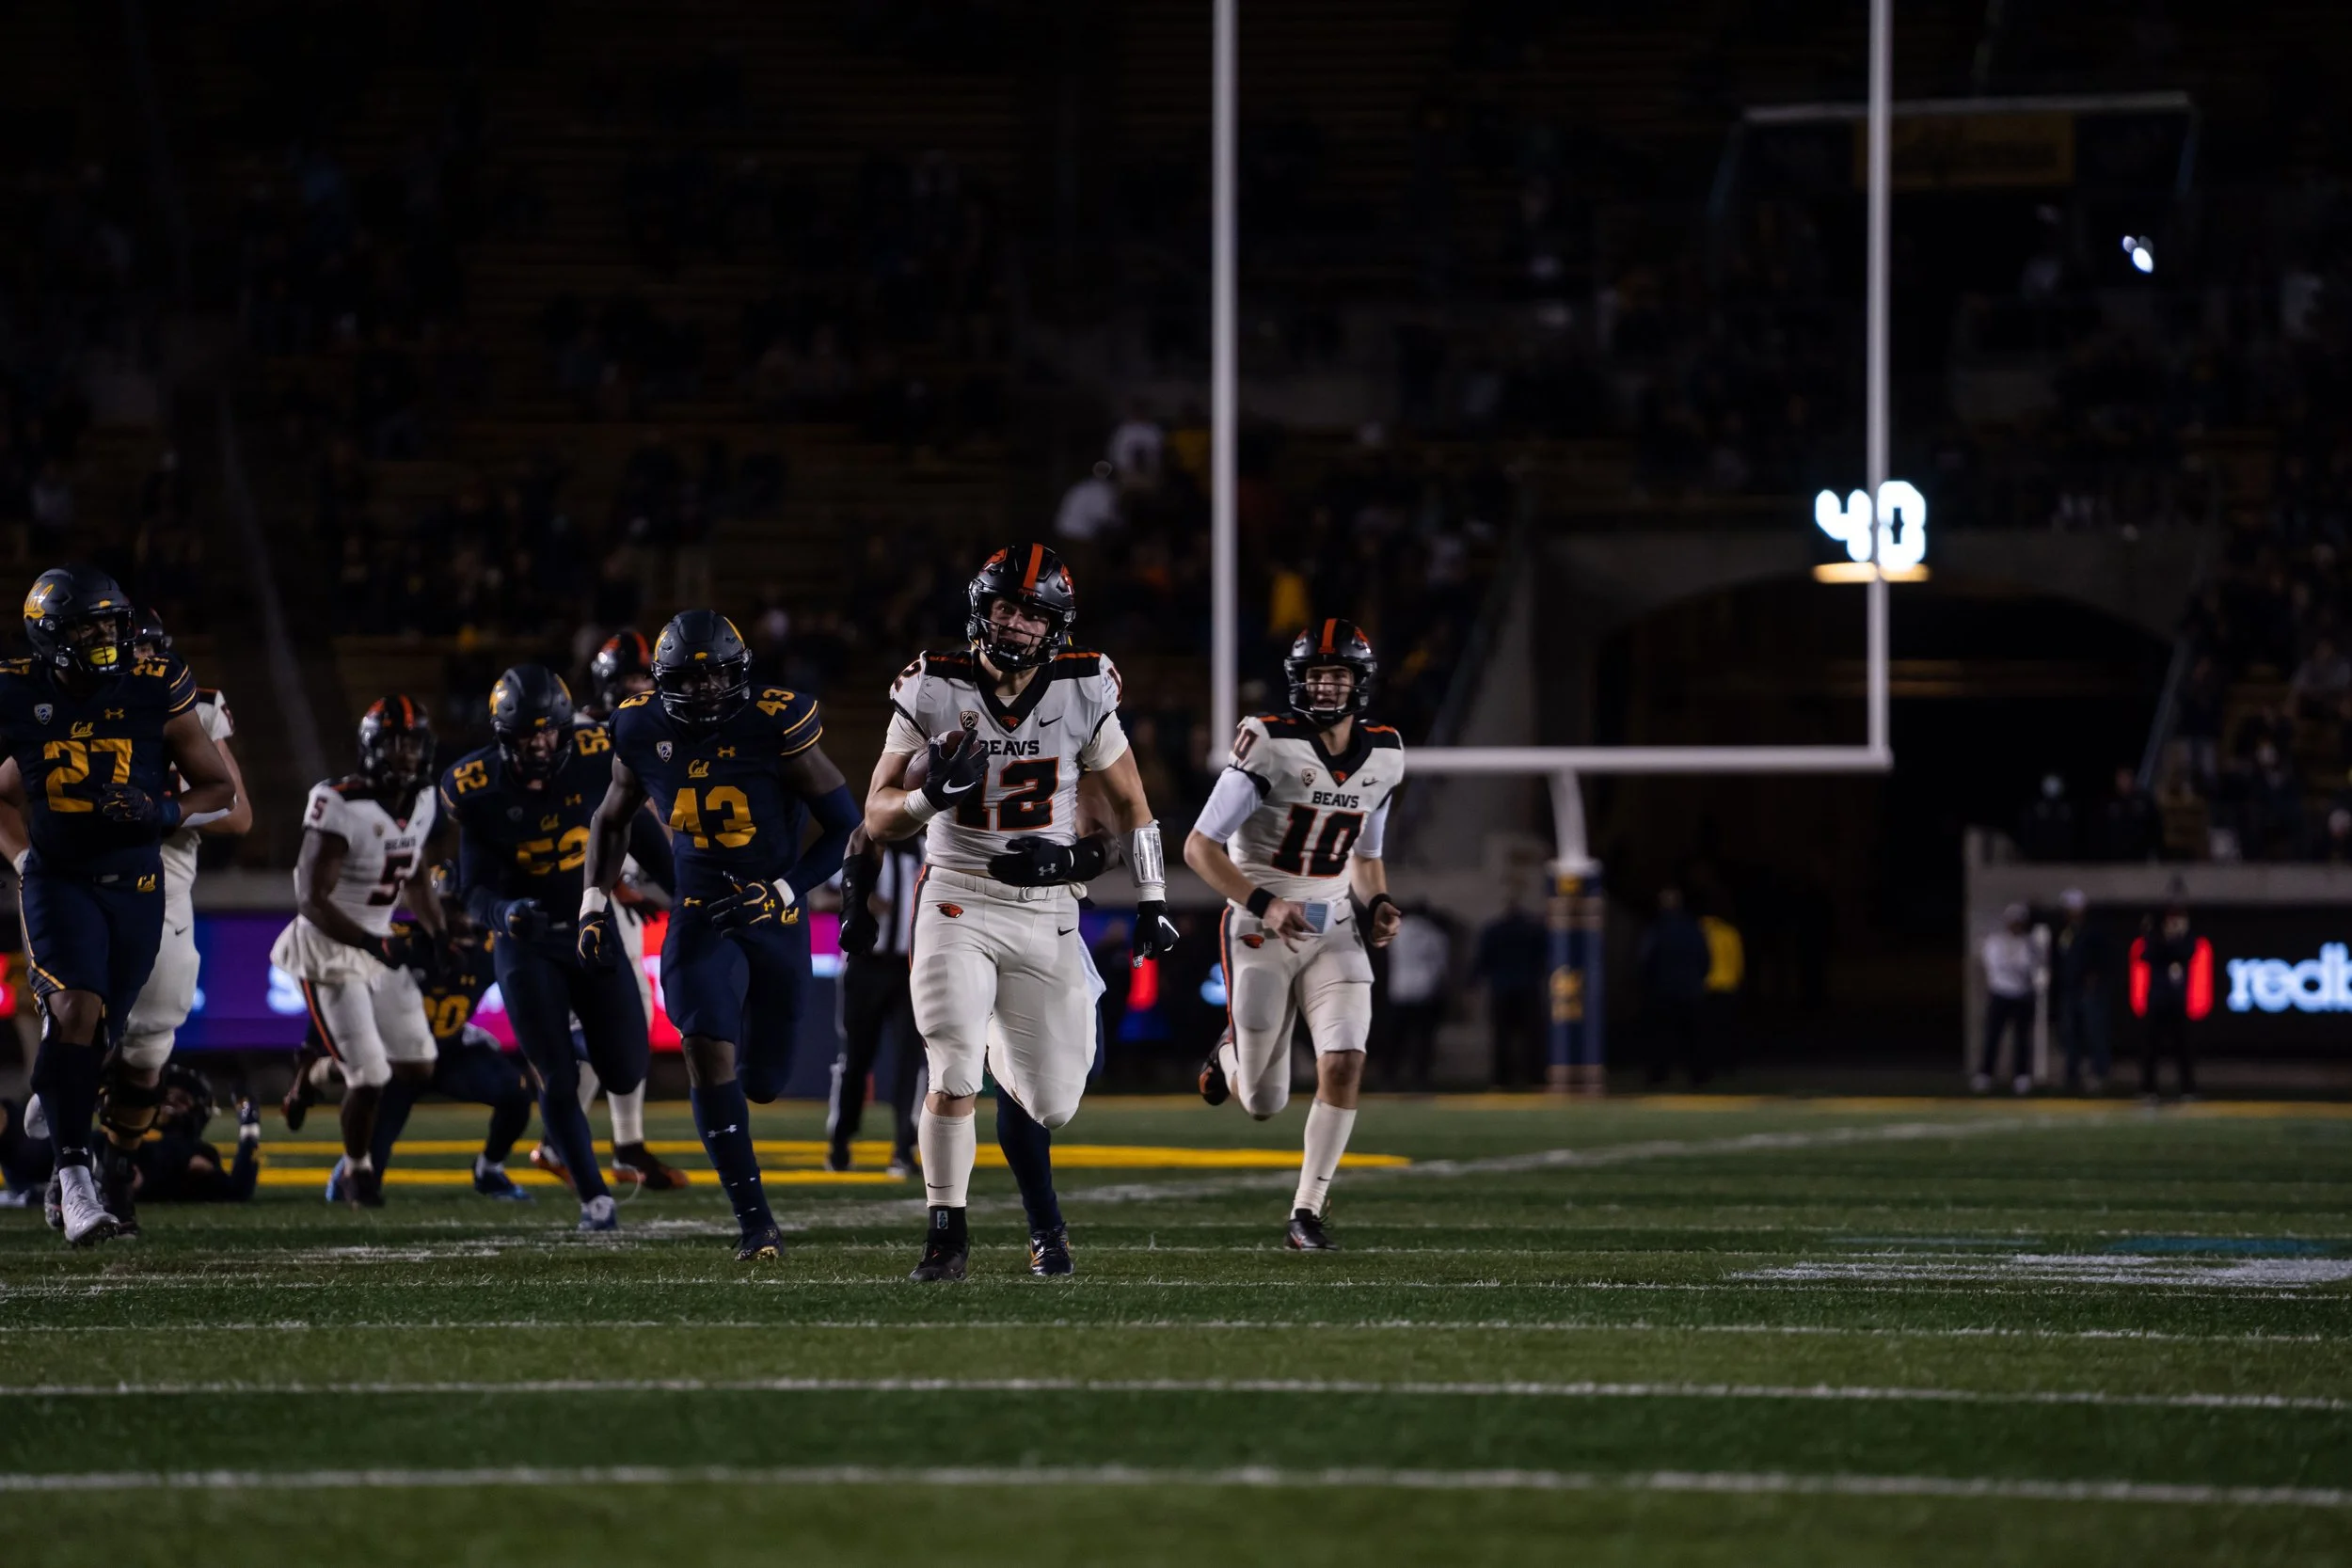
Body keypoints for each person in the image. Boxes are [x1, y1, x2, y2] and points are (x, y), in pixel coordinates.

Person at [861, 543, 1176, 1280]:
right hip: (958, 893)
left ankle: (1010, 1089)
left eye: (1033, 613)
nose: (1016, 623)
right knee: (953, 1064)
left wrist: (1147, 893)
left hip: (1047, 911)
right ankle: (946, 1235)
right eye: (1005, 606)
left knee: (1053, 1100)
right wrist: (929, 797)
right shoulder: (934, 683)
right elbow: (876, 817)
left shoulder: (1085, 686)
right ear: (981, 607)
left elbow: (1132, 807)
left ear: (1057, 625)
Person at [582, 611, 860, 1260]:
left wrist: (786, 890)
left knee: (762, 1079)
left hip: (776, 912)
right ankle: (754, 1220)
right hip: (701, 908)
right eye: (690, 678)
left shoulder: (775, 722)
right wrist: (593, 904)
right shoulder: (637, 723)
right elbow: (610, 816)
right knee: (705, 1043)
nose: (706, 690)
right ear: (663, 679)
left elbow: (847, 827)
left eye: (716, 677)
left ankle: (751, 1196)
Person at [2, 567, 235, 1243]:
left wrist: (163, 808)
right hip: (59, 878)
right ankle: (73, 1181)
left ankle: (61, 1092)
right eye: (89, 627)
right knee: (76, 1009)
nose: (108, 639)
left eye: (112, 624)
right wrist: (21, 857)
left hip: (136, 883)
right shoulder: (18, 688)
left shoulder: (155, 686)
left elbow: (220, 788)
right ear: (51, 636)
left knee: (105, 1030)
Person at [1184, 619, 1406, 1248]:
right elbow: (1199, 846)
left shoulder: (1386, 751)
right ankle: (1225, 1054)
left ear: (1359, 682)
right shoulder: (1269, 741)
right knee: (1261, 1100)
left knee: (1344, 1059)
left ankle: (1306, 1209)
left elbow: (1365, 854)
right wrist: (1263, 899)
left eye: (1338, 675)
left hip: (1334, 925)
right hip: (1258, 924)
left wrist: (1381, 900)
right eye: (1316, 675)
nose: (1327, 686)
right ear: (1298, 681)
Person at [443, 667, 662, 1232]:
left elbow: (636, 830)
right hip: (527, 944)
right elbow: (471, 888)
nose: (539, 743)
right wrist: (504, 915)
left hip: (590, 926)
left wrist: (690, 888)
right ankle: (595, 1199)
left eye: (548, 731)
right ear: (501, 734)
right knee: (556, 1080)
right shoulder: (477, 786)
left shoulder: (596, 754)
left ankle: (577, 1042)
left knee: (626, 1068)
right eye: (525, 734)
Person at [269, 696, 447, 1210]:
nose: (404, 754)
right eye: (393, 742)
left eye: (412, 743)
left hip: (379, 940)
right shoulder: (339, 800)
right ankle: (357, 1172)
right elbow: (310, 899)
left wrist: (435, 932)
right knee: (370, 1077)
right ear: (371, 747)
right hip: (330, 945)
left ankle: (317, 1070)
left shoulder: (426, 799)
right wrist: (373, 942)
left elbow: (413, 873)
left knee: (417, 1066)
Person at [536, 628, 689, 1193]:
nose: (641, 686)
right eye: (630, 678)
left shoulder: (646, 725)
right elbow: (575, 820)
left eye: (646, 677)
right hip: (586, 890)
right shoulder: (576, 734)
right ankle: (611, 1144)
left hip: (623, 882)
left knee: (627, 1015)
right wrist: (612, 883)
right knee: (619, 1014)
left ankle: (583, 1141)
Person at [348, 861, 537, 1199]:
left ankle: (489, 1170)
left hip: (451, 1054)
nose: (462, 919)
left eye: (466, 908)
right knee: (366, 1182)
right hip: (400, 1063)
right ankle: (352, 1167)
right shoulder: (400, 943)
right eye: (450, 909)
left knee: (516, 1092)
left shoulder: (488, 949)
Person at [826, 826, 923, 1176]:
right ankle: (840, 1141)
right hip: (865, 965)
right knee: (854, 1059)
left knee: (911, 1062)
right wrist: (859, 902)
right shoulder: (864, 845)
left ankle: (904, 1146)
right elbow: (823, 897)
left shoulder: (927, 848)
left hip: (909, 969)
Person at [126, 1064, 261, 1204]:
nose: (170, 1102)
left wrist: (249, 1133)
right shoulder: (123, 1141)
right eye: (166, 1097)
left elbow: (236, 1190)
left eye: (181, 1100)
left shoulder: (197, 1153)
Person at [1636, 885, 1710, 1085]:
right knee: (1692, 1037)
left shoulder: (1657, 928)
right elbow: (1704, 958)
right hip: (1690, 990)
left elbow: (1645, 960)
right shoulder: (1692, 927)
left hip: (1663, 991)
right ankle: (1698, 1076)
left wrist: (1648, 983)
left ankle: (1658, 1075)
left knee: (1661, 1037)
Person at [1472, 896, 1547, 1089]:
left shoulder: (1494, 930)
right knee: (1532, 1037)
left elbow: (1482, 959)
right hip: (1528, 987)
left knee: (1501, 1037)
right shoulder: (1532, 930)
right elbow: (1544, 956)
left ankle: (1501, 1079)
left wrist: (1472, 983)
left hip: (1501, 989)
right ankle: (1534, 1077)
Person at [1383, 903, 1450, 1091]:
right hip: (1425, 992)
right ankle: (1420, 1078)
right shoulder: (1435, 935)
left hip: (1399, 991)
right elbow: (1442, 967)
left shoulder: (1396, 933)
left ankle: (1390, 1076)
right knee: (1423, 1040)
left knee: (1396, 1039)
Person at [2138, 896, 2200, 1101]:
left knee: (2183, 1046)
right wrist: (2163, 937)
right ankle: (2148, 1089)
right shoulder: (2155, 936)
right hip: (2157, 998)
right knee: (2151, 1047)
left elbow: (2187, 952)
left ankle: (2188, 1089)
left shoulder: (2186, 936)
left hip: (2177, 999)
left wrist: (2175, 939)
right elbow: (2148, 954)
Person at [2052, 889, 2112, 1095]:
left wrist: (2094, 976)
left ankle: (2099, 1073)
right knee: (2071, 1034)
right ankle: (2072, 1074)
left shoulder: (2092, 931)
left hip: (2089, 990)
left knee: (2094, 1031)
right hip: (2070, 989)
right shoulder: (2065, 931)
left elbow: (2103, 957)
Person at [1976, 902, 2037, 1096]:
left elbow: (2030, 968)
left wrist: (2017, 970)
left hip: (2022, 996)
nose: (2016, 925)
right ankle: (1985, 1074)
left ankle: (2022, 1076)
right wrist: (2015, 969)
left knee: (2022, 1038)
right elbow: (1995, 966)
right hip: (2000, 993)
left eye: (2019, 922)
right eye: (2013, 921)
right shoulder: (1995, 942)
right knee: (1993, 1036)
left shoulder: (2029, 943)